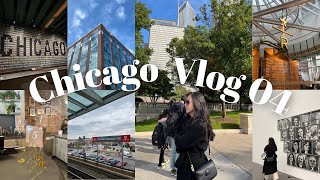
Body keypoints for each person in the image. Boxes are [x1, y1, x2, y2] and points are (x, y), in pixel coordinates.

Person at [174, 92, 215, 180]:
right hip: (186, 164)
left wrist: (177, 136)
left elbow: (181, 144)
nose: (185, 104)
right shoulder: (190, 120)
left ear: (197, 104)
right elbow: (180, 145)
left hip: (193, 167)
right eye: (185, 102)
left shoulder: (199, 124)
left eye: (188, 102)